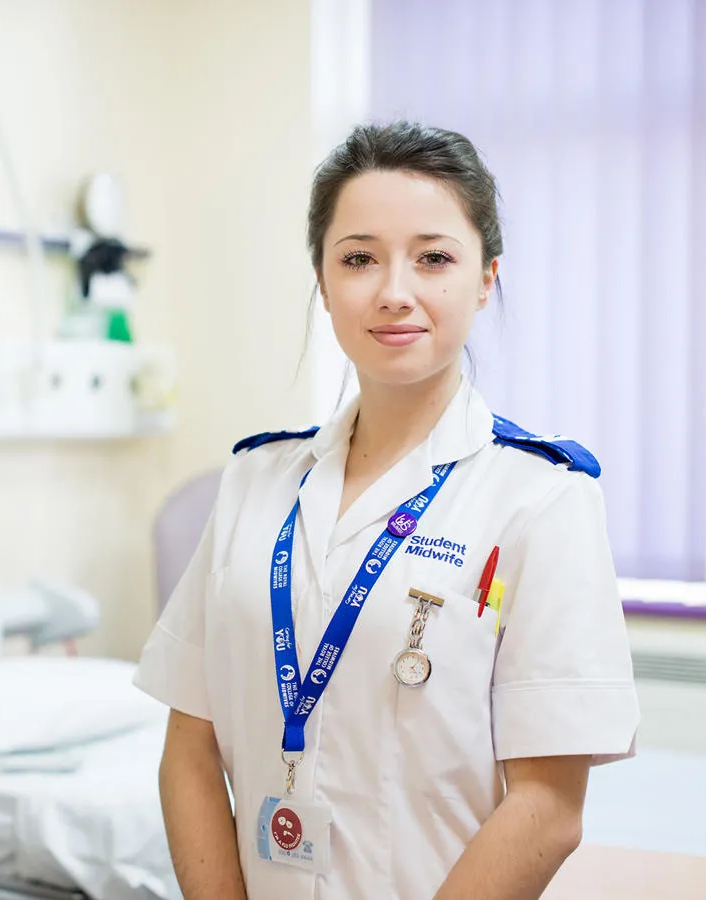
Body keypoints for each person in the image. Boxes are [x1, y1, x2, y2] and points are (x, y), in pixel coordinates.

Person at [133, 121, 640, 899]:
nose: (393, 290)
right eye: (359, 258)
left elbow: (546, 807)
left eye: (433, 257)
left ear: (485, 278)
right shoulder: (252, 481)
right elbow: (189, 746)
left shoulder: (541, 499)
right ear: (324, 280)